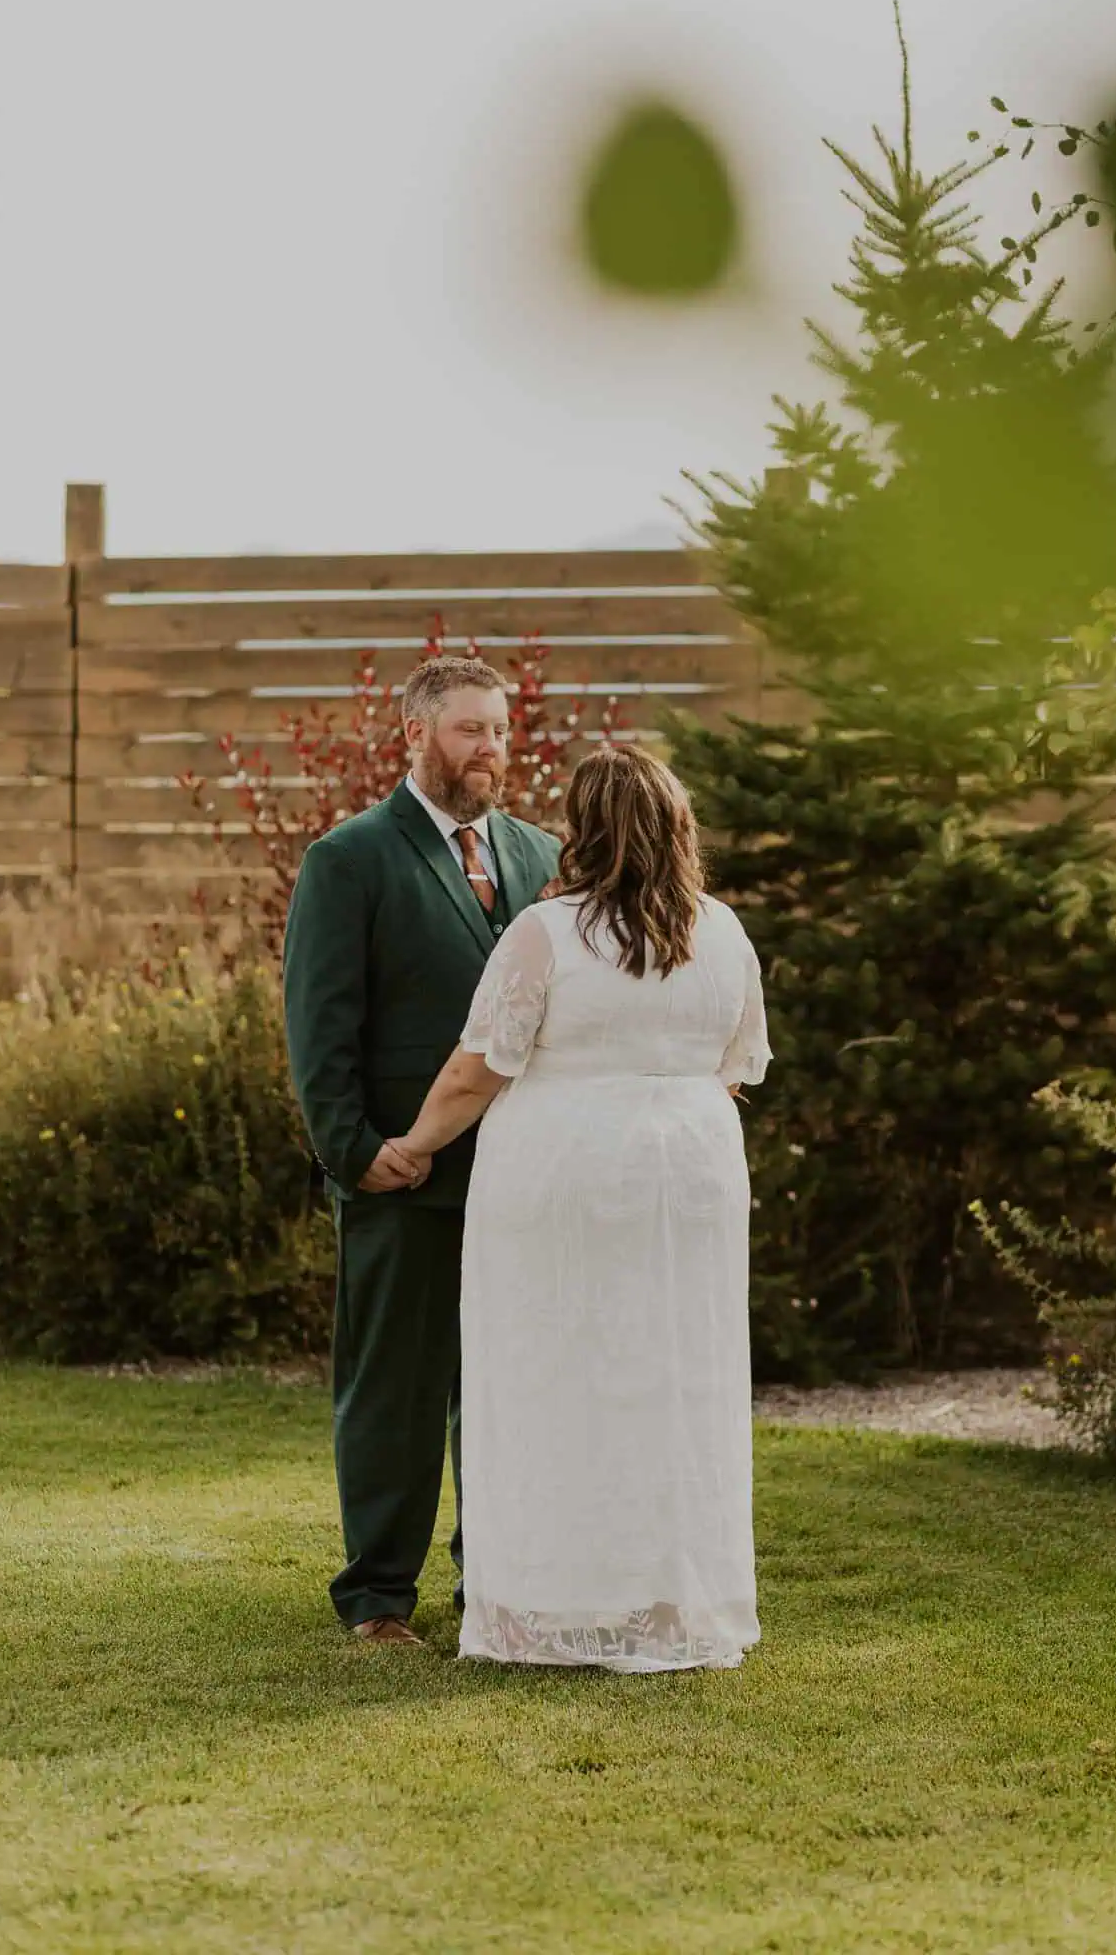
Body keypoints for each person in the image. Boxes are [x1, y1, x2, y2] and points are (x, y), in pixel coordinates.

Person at [396, 742, 770, 1673]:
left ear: (582, 828)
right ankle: (664, 1598)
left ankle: (556, 1605)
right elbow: (738, 1066)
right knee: (673, 1376)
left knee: (554, 1373)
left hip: (564, 1171)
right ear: (678, 827)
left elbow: (476, 1066)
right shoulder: (722, 930)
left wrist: (410, 1146)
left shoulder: (548, 932)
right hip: (690, 1175)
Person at [283, 656, 560, 1645]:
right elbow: (320, 1026)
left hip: (527, 1177)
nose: (491, 748)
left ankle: (495, 1577)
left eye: (500, 728)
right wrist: (354, 1150)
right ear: (417, 735)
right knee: (395, 1391)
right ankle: (377, 1596)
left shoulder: (542, 854)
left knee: (510, 1387)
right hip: (402, 1174)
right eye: (469, 731)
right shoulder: (349, 858)